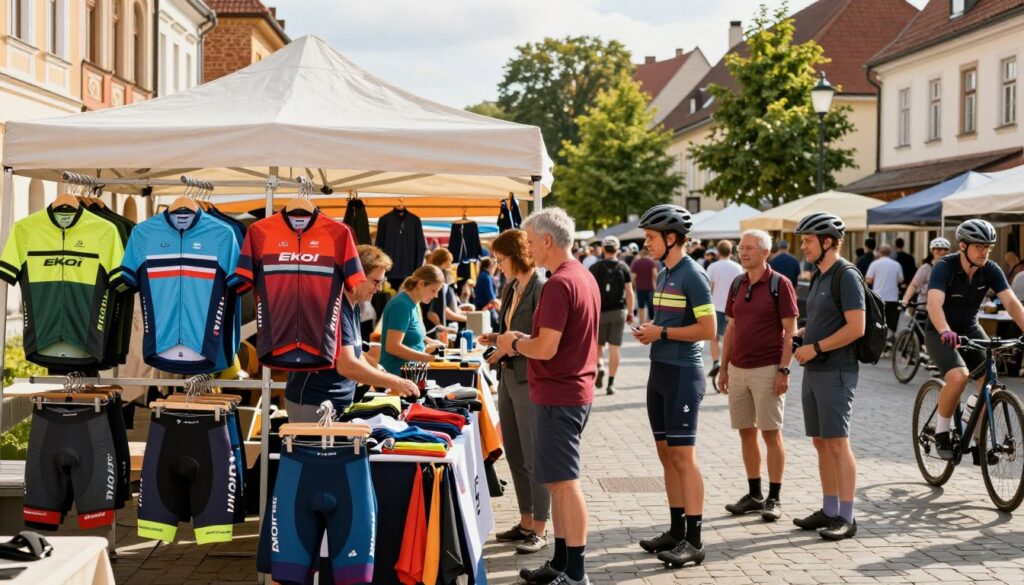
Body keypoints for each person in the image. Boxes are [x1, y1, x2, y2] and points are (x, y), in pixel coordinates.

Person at [496, 208, 600, 585]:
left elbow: (545, 348)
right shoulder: (580, 275)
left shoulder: (559, 283)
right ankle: (561, 562)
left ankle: (575, 573)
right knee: (558, 481)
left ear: (546, 240)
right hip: (568, 391)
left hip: (560, 393)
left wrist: (514, 341)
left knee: (564, 483)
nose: (526, 247)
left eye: (528, 239)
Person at [630, 204, 714, 568]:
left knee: (683, 457)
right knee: (666, 456)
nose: (646, 244)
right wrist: (650, 332)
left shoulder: (693, 274)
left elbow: (709, 330)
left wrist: (661, 332)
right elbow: (667, 322)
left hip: (683, 374)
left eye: (650, 238)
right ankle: (676, 529)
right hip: (659, 371)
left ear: (671, 238)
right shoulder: (665, 273)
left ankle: (694, 540)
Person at [793, 212, 865, 541]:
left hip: (836, 369)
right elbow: (828, 319)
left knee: (837, 443)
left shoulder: (846, 275)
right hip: (815, 367)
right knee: (821, 442)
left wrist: (816, 347)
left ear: (827, 242)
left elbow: (856, 328)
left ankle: (847, 517)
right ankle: (829, 509)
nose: (803, 246)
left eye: (808, 240)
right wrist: (804, 334)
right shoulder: (820, 274)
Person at [925, 220, 1024, 460]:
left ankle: (979, 441)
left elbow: (1011, 302)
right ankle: (941, 433)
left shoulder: (990, 269)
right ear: (963, 245)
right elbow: (934, 303)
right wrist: (945, 330)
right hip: (940, 331)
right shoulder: (945, 267)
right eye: (979, 246)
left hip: (970, 329)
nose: (984, 252)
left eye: (988, 247)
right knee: (959, 376)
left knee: (989, 384)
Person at [286, 246, 420, 421]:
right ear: (355, 277)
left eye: (382, 281)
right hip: (315, 403)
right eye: (375, 281)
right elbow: (347, 365)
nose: (379, 288)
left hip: (332, 403)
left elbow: (353, 352)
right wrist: (395, 381)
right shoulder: (336, 308)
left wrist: (379, 370)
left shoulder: (353, 305)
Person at [718, 230, 798, 522]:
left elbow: (790, 332)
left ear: (765, 252)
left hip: (767, 369)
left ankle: (774, 497)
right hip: (738, 369)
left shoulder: (780, 284)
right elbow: (731, 328)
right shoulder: (737, 284)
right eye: (741, 248)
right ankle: (754, 494)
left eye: (750, 248)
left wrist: (783, 370)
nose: (744, 252)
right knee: (746, 432)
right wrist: (723, 367)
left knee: (771, 433)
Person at [479, 230, 550, 554]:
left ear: (515, 255)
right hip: (508, 378)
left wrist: (510, 348)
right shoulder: (512, 286)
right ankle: (525, 521)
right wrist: (496, 339)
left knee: (535, 456)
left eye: (500, 259)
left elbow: (540, 340)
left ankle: (540, 527)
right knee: (517, 455)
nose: (497, 265)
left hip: (528, 378)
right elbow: (512, 332)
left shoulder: (541, 286)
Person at [380, 264, 446, 375]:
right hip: (398, 375)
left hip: (412, 373)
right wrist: (427, 358)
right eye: (433, 290)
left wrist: (429, 341)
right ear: (421, 284)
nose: (436, 296)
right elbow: (392, 347)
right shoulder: (401, 305)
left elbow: (410, 333)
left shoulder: (415, 304)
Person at [590, 235, 635, 396]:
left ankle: (600, 366)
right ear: (617, 250)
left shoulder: (595, 268)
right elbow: (629, 292)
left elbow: (589, 291)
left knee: (598, 346)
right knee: (615, 348)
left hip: (600, 312)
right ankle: (611, 383)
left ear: (603, 249)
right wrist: (630, 312)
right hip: (619, 311)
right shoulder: (624, 267)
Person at [706, 240, 743, 380]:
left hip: (715, 306)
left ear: (718, 251)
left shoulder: (713, 267)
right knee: (732, 337)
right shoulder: (738, 267)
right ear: (731, 250)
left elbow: (709, 287)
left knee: (714, 337)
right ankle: (729, 363)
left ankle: (716, 361)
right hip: (733, 308)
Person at [424, 248, 467, 334]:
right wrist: (441, 327)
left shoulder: (441, 277)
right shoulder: (436, 279)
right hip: (433, 329)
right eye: (449, 261)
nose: (451, 264)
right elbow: (433, 312)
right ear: (441, 260)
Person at [865, 244, 904, 339]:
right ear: (890, 253)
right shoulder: (896, 264)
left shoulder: (874, 264)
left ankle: (879, 339)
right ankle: (889, 339)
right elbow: (901, 280)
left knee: (878, 320)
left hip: (878, 297)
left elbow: (869, 280)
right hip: (892, 297)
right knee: (891, 321)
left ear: (879, 252)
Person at [901, 237, 950, 309]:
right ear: (932, 250)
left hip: (945, 306)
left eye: (945, 249)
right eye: (938, 249)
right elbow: (914, 285)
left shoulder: (951, 267)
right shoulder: (925, 268)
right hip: (925, 306)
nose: (942, 252)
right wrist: (905, 299)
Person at [631, 248, 659, 324]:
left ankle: (641, 323)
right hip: (650, 288)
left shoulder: (636, 263)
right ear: (648, 254)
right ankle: (651, 323)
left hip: (640, 288)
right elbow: (655, 275)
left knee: (641, 306)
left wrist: (634, 286)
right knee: (651, 307)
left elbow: (633, 277)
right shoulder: (652, 262)